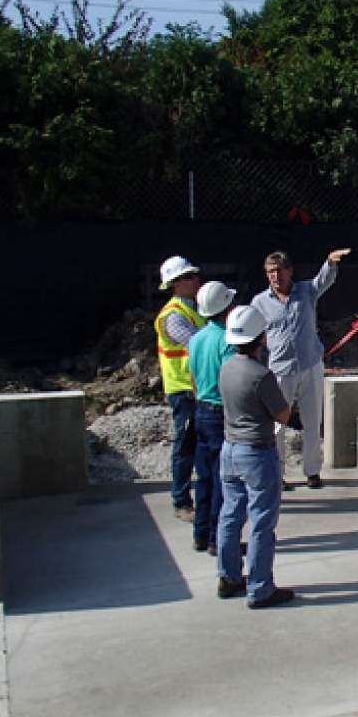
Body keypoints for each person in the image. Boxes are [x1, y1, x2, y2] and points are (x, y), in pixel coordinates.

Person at [250, 248, 351, 490]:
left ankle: (312, 472)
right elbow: (253, 332)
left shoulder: (306, 291)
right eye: (270, 272)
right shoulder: (260, 302)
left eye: (278, 271)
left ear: (290, 271)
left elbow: (323, 281)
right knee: (277, 426)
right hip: (279, 370)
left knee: (312, 419)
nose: (275, 276)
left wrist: (330, 262)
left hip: (310, 365)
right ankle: (278, 473)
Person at [216, 305, 296, 609]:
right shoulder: (261, 376)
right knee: (262, 522)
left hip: (230, 450)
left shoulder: (226, 368)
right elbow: (283, 414)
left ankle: (229, 577)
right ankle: (260, 588)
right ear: (260, 337)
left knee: (230, 515)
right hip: (257, 453)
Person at [186, 281, 237, 555]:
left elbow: (193, 379)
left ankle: (200, 534)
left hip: (201, 410)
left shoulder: (195, 339)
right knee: (223, 479)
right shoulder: (227, 341)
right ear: (226, 307)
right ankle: (218, 538)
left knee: (204, 476)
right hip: (221, 414)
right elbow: (231, 382)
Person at [154, 255, 204, 522]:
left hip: (198, 389)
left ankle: (199, 497)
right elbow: (198, 344)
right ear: (175, 283)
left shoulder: (193, 310)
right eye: (189, 277)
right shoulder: (173, 315)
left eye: (194, 275)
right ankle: (181, 501)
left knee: (201, 445)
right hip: (183, 389)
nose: (195, 280)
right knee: (185, 446)